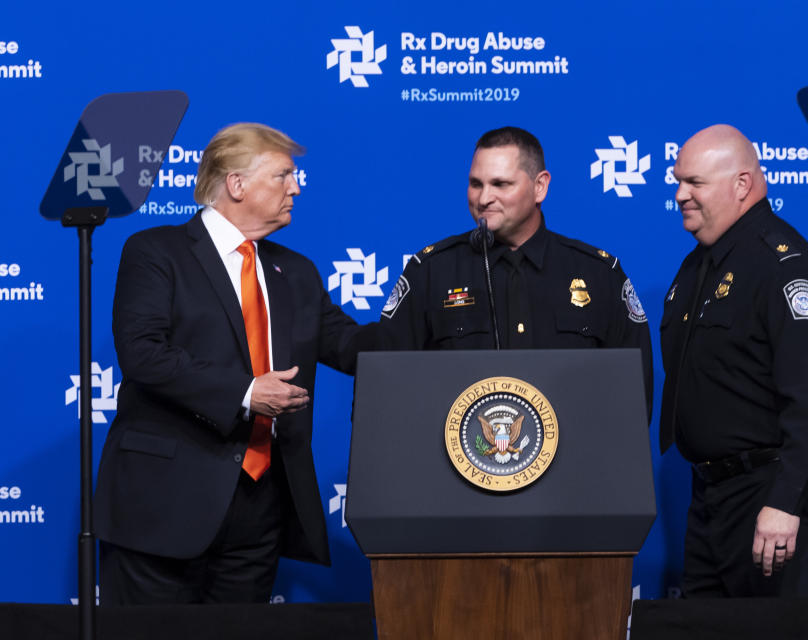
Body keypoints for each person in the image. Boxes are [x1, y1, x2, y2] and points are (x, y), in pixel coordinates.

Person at [94, 123, 369, 604]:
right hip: (163, 506)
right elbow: (142, 353)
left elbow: (349, 345)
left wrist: (435, 315)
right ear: (237, 184)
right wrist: (246, 393)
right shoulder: (157, 251)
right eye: (284, 175)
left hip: (258, 511)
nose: (297, 187)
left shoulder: (296, 271)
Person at [660, 124, 808, 597]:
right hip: (711, 500)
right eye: (678, 181)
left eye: (694, 183)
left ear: (741, 185)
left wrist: (784, 503)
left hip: (778, 499)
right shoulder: (696, 266)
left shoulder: (785, 267)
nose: (680, 194)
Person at [377, 126, 653, 416]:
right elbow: (385, 384)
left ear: (540, 187)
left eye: (500, 184)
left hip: (578, 459)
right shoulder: (431, 272)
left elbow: (633, 399)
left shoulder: (599, 274)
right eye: (475, 184)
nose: (483, 199)